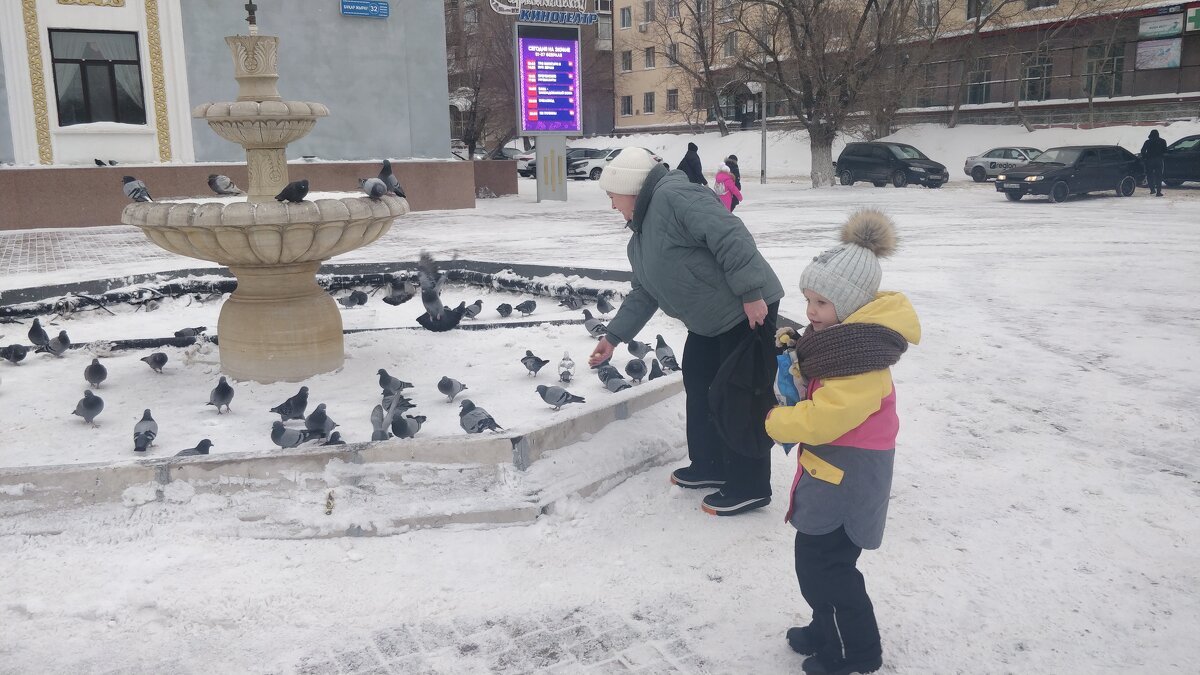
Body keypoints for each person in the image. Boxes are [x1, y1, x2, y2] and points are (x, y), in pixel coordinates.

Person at [765, 209, 921, 675]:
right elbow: (818, 380)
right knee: (814, 563)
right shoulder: (839, 342)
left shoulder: (861, 360)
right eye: (808, 299)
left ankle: (856, 653)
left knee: (830, 569)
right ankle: (822, 628)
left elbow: (826, 419)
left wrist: (777, 421)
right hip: (830, 472)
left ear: (850, 308)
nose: (810, 311)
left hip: (849, 478)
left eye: (821, 303)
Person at [591, 147, 785, 516]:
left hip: (746, 310)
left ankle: (750, 485)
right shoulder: (641, 236)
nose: (612, 205)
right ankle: (710, 465)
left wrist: (750, 292)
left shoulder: (675, 197)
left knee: (738, 396)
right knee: (699, 385)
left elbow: (730, 234)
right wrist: (613, 337)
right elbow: (645, 291)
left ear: (629, 189)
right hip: (709, 322)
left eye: (612, 196)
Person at [1140, 129, 1167, 197]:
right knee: (1159, 176)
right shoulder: (1162, 141)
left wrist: (1145, 157)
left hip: (1149, 160)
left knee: (1149, 175)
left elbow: (1142, 151)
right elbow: (1165, 151)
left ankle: (1152, 189)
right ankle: (1158, 192)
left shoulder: (1147, 142)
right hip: (1159, 160)